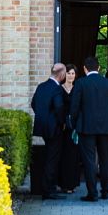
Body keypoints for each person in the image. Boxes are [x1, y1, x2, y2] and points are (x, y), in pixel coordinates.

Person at [71, 58, 108, 202]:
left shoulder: (81, 83)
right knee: (105, 158)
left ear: (85, 68)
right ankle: (106, 191)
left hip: (86, 126)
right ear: (98, 68)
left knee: (89, 160)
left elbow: (75, 107)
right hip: (106, 126)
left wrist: (74, 124)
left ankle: (92, 193)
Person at [30, 63, 68, 199]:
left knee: (46, 156)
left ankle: (46, 187)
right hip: (54, 129)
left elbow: (33, 104)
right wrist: (62, 122)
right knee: (52, 158)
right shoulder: (57, 89)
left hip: (41, 127)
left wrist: (43, 117)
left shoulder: (41, 86)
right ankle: (49, 190)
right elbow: (58, 107)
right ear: (62, 74)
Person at [58, 65, 82, 194]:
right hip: (62, 126)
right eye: (68, 73)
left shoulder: (77, 89)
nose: (71, 75)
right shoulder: (59, 89)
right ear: (64, 74)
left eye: (73, 73)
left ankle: (71, 184)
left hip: (74, 127)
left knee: (73, 156)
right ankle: (63, 184)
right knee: (63, 154)